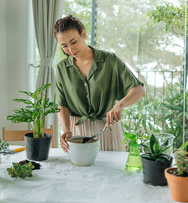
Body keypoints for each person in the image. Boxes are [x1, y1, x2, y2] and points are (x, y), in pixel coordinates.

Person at [54, 15, 145, 152]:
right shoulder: (62, 68)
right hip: (76, 133)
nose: (71, 50)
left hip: (107, 130)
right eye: (64, 46)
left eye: (74, 42)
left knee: (111, 172)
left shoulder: (110, 60)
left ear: (83, 34)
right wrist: (66, 130)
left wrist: (119, 106)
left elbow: (139, 90)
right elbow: (62, 104)